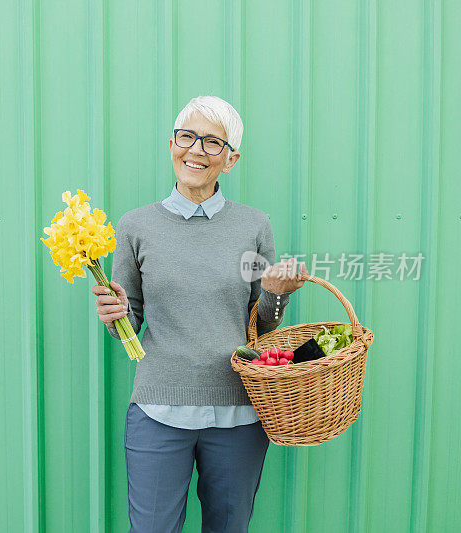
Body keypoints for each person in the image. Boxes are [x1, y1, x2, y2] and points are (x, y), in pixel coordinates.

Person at [91, 95, 308, 533]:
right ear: (171, 144)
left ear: (230, 160)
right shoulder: (135, 226)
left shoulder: (253, 225)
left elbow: (262, 324)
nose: (196, 150)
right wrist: (115, 315)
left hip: (238, 414)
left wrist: (276, 295)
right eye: (187, 136)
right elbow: (130, 324)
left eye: (212, 142)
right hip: (157, 412)